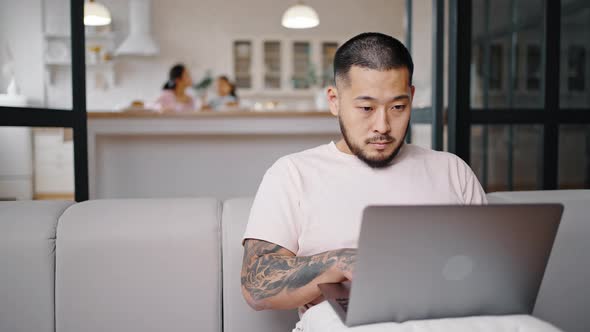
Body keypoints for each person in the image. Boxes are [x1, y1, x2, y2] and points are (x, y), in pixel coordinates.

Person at [240, 32, 487, 327]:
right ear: (334, 100)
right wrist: (342, 262)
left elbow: (488, 271)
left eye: (397, 107)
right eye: (366, 108)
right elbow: (256, 285)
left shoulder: (452, 170)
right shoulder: (293, 173)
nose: (382, 126)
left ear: (411, 97)